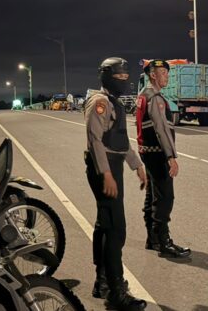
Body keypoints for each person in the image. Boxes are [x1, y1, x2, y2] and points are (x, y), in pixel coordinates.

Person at [84, 57, 148, 310]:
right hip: (104, 169)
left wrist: (137, 165)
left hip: (113, 166)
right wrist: (106, 173)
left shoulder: (114, 103)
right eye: (118, 77)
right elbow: (95, 140)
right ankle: (116, 293)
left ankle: (102, 282)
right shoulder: (99, 102)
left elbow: (119, 141)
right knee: (115, 229)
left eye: (125, 77)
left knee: (105, 225)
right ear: (106, 77)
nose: (123, 81)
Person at [136, 59, 191, 258]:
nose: (167, 76)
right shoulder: (155, 98)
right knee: (165, 197)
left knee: (152, 195)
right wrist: (171, 157)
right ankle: (163, 242)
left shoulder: (143, 95)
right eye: (163, 73)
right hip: (157, 153)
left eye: (167, 73)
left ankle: (152, 239)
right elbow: (162, 129)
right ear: (153, 75)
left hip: (147, 152)